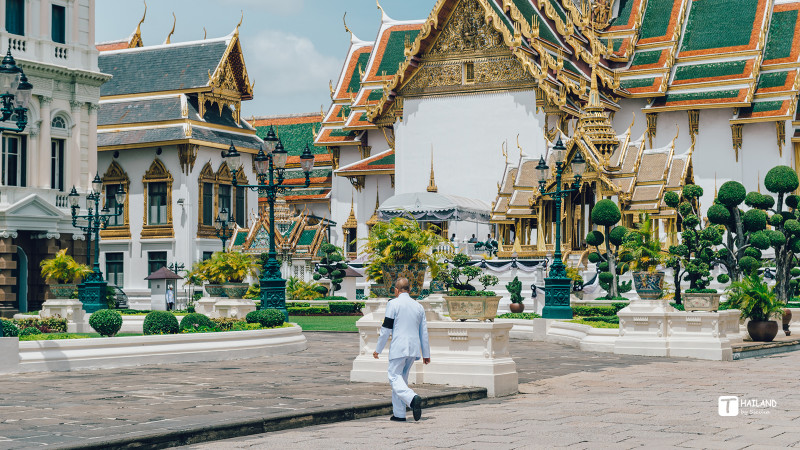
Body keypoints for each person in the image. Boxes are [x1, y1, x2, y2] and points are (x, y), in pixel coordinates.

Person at [373, 277, 431, 422]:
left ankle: (412, 399)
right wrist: (426, 354)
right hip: (413, 349)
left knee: (394, 377)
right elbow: (423, 332)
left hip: (399, 347)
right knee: (401, 380)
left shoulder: (393, 304)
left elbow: (386, 328)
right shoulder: (418, 306)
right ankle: (399, 414)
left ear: (396, 290)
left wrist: (378, 349)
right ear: (409, 290)